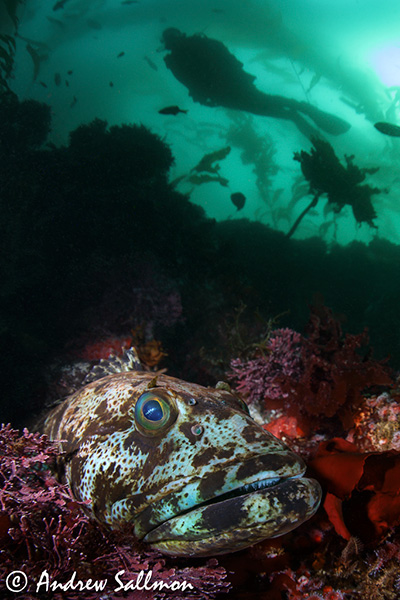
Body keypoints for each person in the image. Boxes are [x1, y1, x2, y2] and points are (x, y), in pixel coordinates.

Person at [161, 28, 350, 139]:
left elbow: (191, 83)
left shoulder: (176, 59)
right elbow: (230, 60)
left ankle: (300, 114)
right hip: (233, 85)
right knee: (263, 103)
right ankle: (302, 112)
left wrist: (204, 95)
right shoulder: (199, 44)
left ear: (168, 43)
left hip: (223, 92)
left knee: (262, 106)